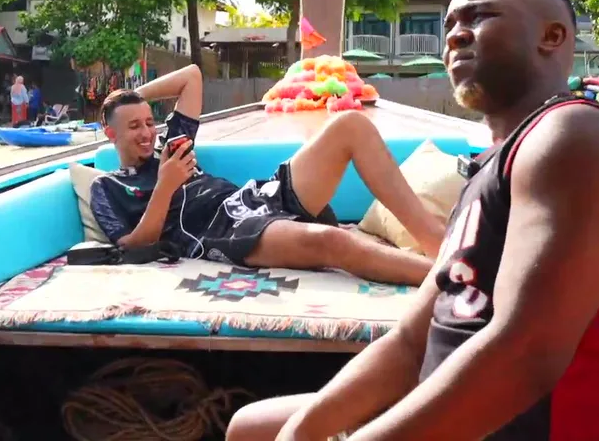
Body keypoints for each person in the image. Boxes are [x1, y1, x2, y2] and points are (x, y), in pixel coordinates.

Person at [227, 0, 599, 441]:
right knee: (253, 428)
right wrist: (304, 429)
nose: (456, 35)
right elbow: (410, 343)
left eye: (480, 17)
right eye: (450, 25)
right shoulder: (491, 168)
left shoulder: (576, 137)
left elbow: (523, 354)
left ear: (552, 37)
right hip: (460, 410)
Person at [90, 64, 444, 285]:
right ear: (111, 134)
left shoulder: (169, 147)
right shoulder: (107, 186)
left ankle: (441, 247)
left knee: (351, 125)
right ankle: (451, 279)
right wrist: (166, 185)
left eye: (149, 122)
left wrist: (127, 98)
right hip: (221, 231)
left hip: (253, 197)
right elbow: (133, 246)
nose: (146, 133)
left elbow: (192, 76)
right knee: (330, 242)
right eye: (133, 126)